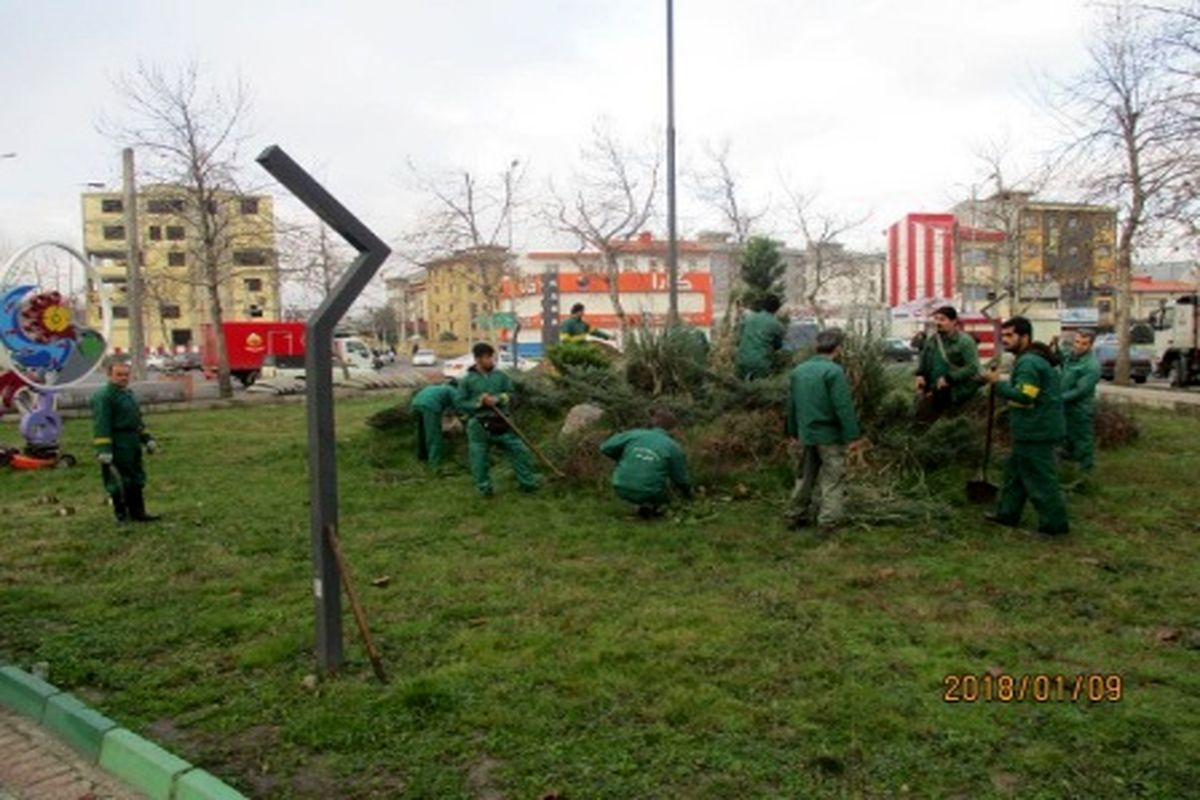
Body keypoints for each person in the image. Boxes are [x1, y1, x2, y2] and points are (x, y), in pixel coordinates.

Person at [981, 316, 1069, 535]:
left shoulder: (1029, 362)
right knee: (1015, 476)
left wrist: (997, 384)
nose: (1006, 340)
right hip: (1028, 430)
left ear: (1025, 336)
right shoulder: (1030, 359)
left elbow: (1025, 396)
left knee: (1041, 480)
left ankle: (1054, 526)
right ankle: (1007, 514)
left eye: (1010, 336)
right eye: (1004, 336)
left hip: (1036, 431)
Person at [784, 329, 862, 533]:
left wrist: (792, 431)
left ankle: (795, 515)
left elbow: (791, 405)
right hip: (829, 435)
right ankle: (828, 522)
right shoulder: (834, 372)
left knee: (805, 477)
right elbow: (842, 407)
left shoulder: (798, 371)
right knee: (833, 479)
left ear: (816, 347)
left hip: (806, 434)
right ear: (838, 349)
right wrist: (852, 435)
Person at [456, 342, 539, 497]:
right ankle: (484, 489)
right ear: (477, 359)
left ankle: (528, 484)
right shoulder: (466, 380)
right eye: (487, 358)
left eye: (492, 357)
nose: (491, 361)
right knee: (479, 459)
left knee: (520, 451)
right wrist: (478, 403)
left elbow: (512, 395)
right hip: (478, 425)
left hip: (502, 422)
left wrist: (499, 398)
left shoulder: (501, 376)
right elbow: (460, 403)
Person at [91, 360, 159, 523]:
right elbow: (102, 424)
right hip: (117, 443)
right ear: (109, 375)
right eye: (119, 375)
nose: (123, 378)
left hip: (132, 442)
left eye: (126, 375)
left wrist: (146, 438)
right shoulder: (104, 396)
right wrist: (104, 449)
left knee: (136, 477)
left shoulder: (127, 394)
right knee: (119, 480)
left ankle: (138, 512)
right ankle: (121, 515)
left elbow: (136, 420)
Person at [600, 408, 692, 518]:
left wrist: (622, 458)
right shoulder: (673, 447)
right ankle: (653, 506)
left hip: (620, 485)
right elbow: (681, 479)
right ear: (672, 428)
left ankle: (641, 504)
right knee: (665, 479)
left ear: (652, 422)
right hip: (651, 492)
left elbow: (605, 447)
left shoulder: (634, 434)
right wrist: (689, 495)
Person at [915, 305, 980, 416]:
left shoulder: (965, 342)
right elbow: (924, 359)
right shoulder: (932, 340)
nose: (938, 323)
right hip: (933, 391)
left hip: (955, 392)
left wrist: (950, 378)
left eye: (942, 319)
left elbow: (972, 367)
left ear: (954, 321)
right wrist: (920, 375)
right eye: (936, 319)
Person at [1059, 328, 1101, 475]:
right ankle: (1067, 472)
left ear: (1090, 346)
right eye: (1077, 342)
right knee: (1064, 439)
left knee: (1082, 442)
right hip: (1064, 408)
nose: (1078, 346)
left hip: (1080, 410)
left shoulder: (1091, 366)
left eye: (1084, 344)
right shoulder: (1069, 357)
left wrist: (1057, 399)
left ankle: (1085, 474)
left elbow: (1080, 391)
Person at [410, 379, 458, 470]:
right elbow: (459, 404)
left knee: (422, 432)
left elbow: (448, 408)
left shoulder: (437, 387)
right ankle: (435, 463)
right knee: (434, 435)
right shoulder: (452, 390)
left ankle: (422, 457)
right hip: (430, 406)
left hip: (415, 404)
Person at [735, 295, 786, 380]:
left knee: (741, 389)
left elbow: (740, 335)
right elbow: (778, 346)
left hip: (742, 360)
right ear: (777, 309)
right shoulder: (776, 325)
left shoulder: (749, 318)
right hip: (761, 364)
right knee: (760, 389)